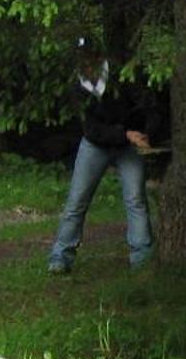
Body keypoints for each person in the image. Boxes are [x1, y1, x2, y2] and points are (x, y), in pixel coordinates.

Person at [47, 36, 156, 273]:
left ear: (99, 57)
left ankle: (142, 257)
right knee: (76, 201)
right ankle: (61, 256)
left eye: (90, 58)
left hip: (129, 145)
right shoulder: (77, 87)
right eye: (81, 60)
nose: (86, 65)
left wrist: (142, 134)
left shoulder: (120, 77)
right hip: (96, 145)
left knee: (136, 198)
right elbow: (91, 129)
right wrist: (124, 134)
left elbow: (140, 108)